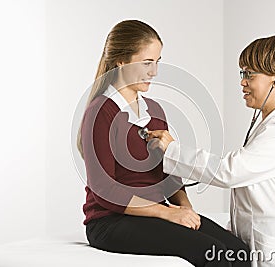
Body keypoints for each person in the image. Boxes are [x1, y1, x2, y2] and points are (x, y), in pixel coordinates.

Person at [77, 20, 251, 267]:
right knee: (211, 252)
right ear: (121, 61)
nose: (154, 71)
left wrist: (186, 209)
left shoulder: (155, 111)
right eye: (147, 62)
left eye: (157, 62)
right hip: (110, 221)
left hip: (154, 213)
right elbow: (104, 191)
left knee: (239, 252)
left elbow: (168, 173)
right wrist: (169, 213)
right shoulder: (100, 112)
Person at [148, 35, 275, 266]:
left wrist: (173, 150)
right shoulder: (268, 124)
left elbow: (231, 171)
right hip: (261, 244)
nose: (242, 82)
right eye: (242, 73)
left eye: (250, 74)